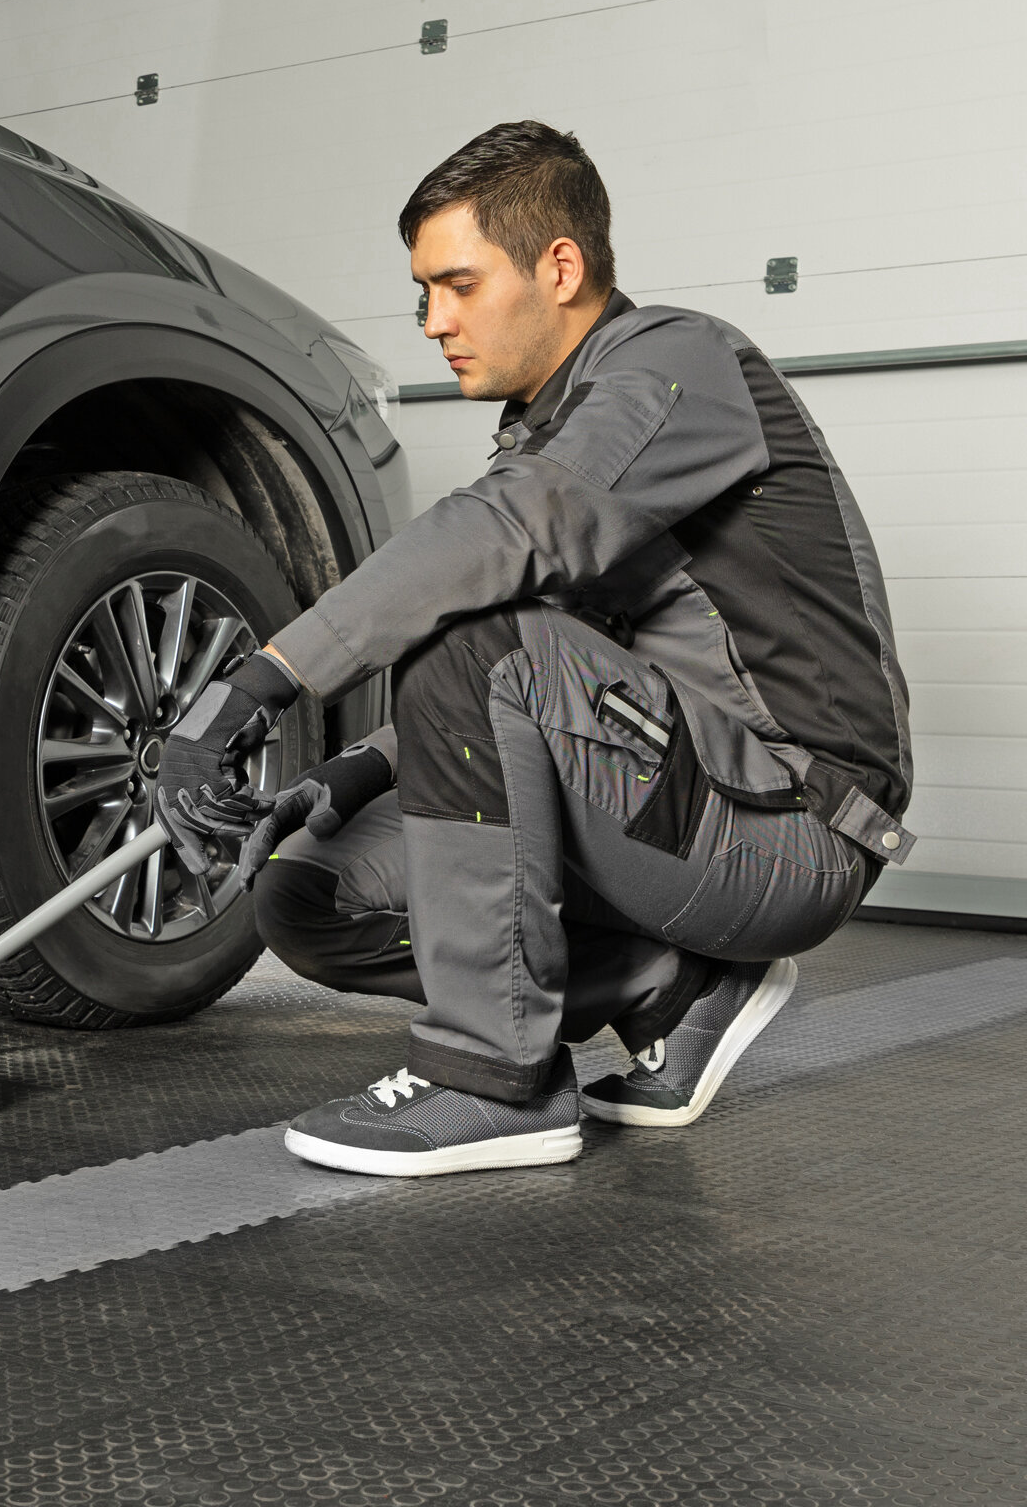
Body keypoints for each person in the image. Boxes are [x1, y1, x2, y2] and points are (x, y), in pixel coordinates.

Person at [155, 120, 914, 1177]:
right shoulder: (556, 433)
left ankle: (495, 1079)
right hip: (674, 799)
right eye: (424, 293)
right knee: (304, 891)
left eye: (459, 285)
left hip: (792, 827)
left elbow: (504, 564)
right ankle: (672, 987)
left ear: (560, 268)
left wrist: (259, 685)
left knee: (469, 629)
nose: (434, 321)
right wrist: (351, 772)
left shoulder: (681, 365)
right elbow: (543, 688)